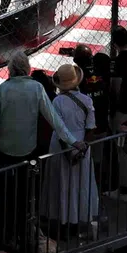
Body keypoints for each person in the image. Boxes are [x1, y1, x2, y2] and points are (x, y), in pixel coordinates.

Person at [0, 54, 82, 167]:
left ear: (10, 69)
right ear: (27, 68)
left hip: (5, 147)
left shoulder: (3, 88)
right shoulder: (37, 87)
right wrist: (73, 141)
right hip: (27, 147)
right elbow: (53, 118)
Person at [40, 62, 100, 240]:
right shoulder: (87, 100)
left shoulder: (57, 101)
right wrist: (82, 149)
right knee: (80, 184)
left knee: (62, 184)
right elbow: (91, 129)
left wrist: (69, 152)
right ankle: (78, 222)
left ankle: (62, 223)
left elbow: (59, 130)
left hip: (63, 147)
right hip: (82, 144)